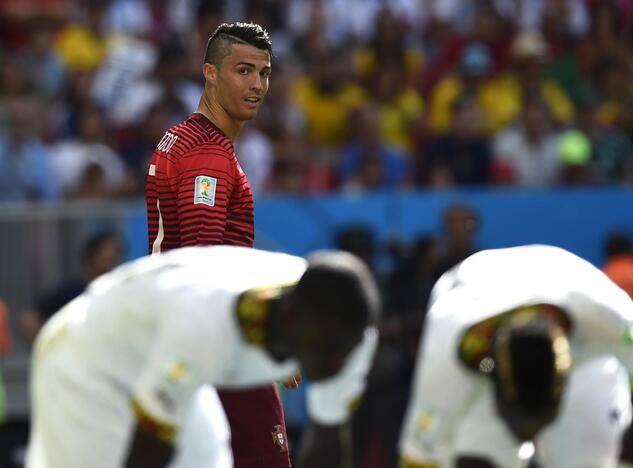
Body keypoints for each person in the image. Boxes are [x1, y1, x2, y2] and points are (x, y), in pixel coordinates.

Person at [26, 246, 380, 468]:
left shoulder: (347, 332)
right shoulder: (201, 328)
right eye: (329, 351)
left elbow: (327, 443)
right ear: (288, 318)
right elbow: (148, 453)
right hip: (87, 358)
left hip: (164, 348)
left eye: (345, 354)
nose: (338, 367)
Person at [144, 22, 294, 468]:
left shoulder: (181, 139)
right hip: (220, 343)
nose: (256, 85)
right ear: (210, 73)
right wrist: (268, 334)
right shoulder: (206, 154)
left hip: (183, 337)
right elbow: (205, 260)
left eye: (264, 73)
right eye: (243, 71)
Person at [400, 244, 633, 468]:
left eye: (541, 422)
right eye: (521, 425)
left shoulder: (606, 315)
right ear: (497, 397)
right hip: (476, 361)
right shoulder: (447, 357)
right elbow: (419, 455)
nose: (529, 442)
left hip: (585, 365)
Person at [20, 231, 122, 345]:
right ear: (91, 254)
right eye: (104, 251)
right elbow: (30, 319)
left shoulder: (119, 291)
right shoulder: (72, 290)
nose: (110, 256)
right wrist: (45, 349)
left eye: (115, 252)